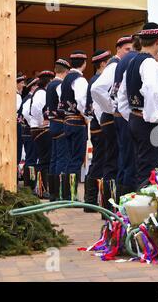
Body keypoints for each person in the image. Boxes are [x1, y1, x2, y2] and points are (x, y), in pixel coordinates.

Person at [91, 36, 133, 207]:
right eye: (127, 49)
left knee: (112, 162)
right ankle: (110, 206)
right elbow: (97, 89)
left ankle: (108, 206)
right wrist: (112, 107)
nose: (129, 53)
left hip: (109, 118)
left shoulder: (118, 64)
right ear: (118, 49)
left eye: (132, 50)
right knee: (113, 163)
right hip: (111, 118)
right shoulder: (115, 64)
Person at [126, 22, 158, 187]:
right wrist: (152, 117)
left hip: (135, 117)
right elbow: (150, 89)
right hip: (147, 121)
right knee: (149, 168)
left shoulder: (132, 62)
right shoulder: (150, 63)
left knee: (139, 166)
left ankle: (138, 207)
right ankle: (144, 209)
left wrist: (129, 113)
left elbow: (122, 93)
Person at [113, 35, 142, 194]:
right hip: (128, 115)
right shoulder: (135, 60)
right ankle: (126, 208)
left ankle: (118, 205)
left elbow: (115, 92)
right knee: (131, 162)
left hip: (119, 113)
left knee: (123, 161)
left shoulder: (122, 60)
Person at [83, 50, 111, 212]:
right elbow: (98, 107)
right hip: (100, 127)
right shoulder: (99, 80)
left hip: (94, 126)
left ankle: (91, 199)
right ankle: (91, 200)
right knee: (101, 161)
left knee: (98, 161)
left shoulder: (92, 80)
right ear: (102, 64)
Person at [59, 51, 89, 201]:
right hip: (77, 121)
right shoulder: (79, 79)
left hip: (67, 120)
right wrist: (87, 116)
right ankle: (71, 195)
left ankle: (65, 194)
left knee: (70, 158)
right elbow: (81, 100)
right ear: (84, 63)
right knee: (76, 159)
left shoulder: (65, 79)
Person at [46, 59, 71, 202]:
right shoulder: (59, 85)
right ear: (66, 71)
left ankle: (53, 193)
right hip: (60, 123)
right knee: (62, 158)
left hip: (52, 123)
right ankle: (60, 193)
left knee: (54, 158)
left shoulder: (50, 85)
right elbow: (63, 105)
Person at [28, 70, 55, 199]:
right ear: (48, 81)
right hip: (41, 129)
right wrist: (42, 121)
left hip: (38, 129)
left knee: (44, 159)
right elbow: (36, 109)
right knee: (44, 159)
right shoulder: (41, 93)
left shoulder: (40, 92)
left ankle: (40, 188)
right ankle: (40, 188)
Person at [20, 77, 41, 195]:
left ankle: (30, 185)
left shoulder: (29, 98)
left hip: (27, 132)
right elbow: (26, 113)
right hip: (29, 132)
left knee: (31, 158)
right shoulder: (29, 99)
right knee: (31, 158)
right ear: (33, 86)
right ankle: (30, 186)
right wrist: (35, 123)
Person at [16, 72, 26, 168]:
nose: (23, 85)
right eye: (22, 83)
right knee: (17, 150)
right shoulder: (17, 96)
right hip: (16, 127)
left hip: (15, 126)